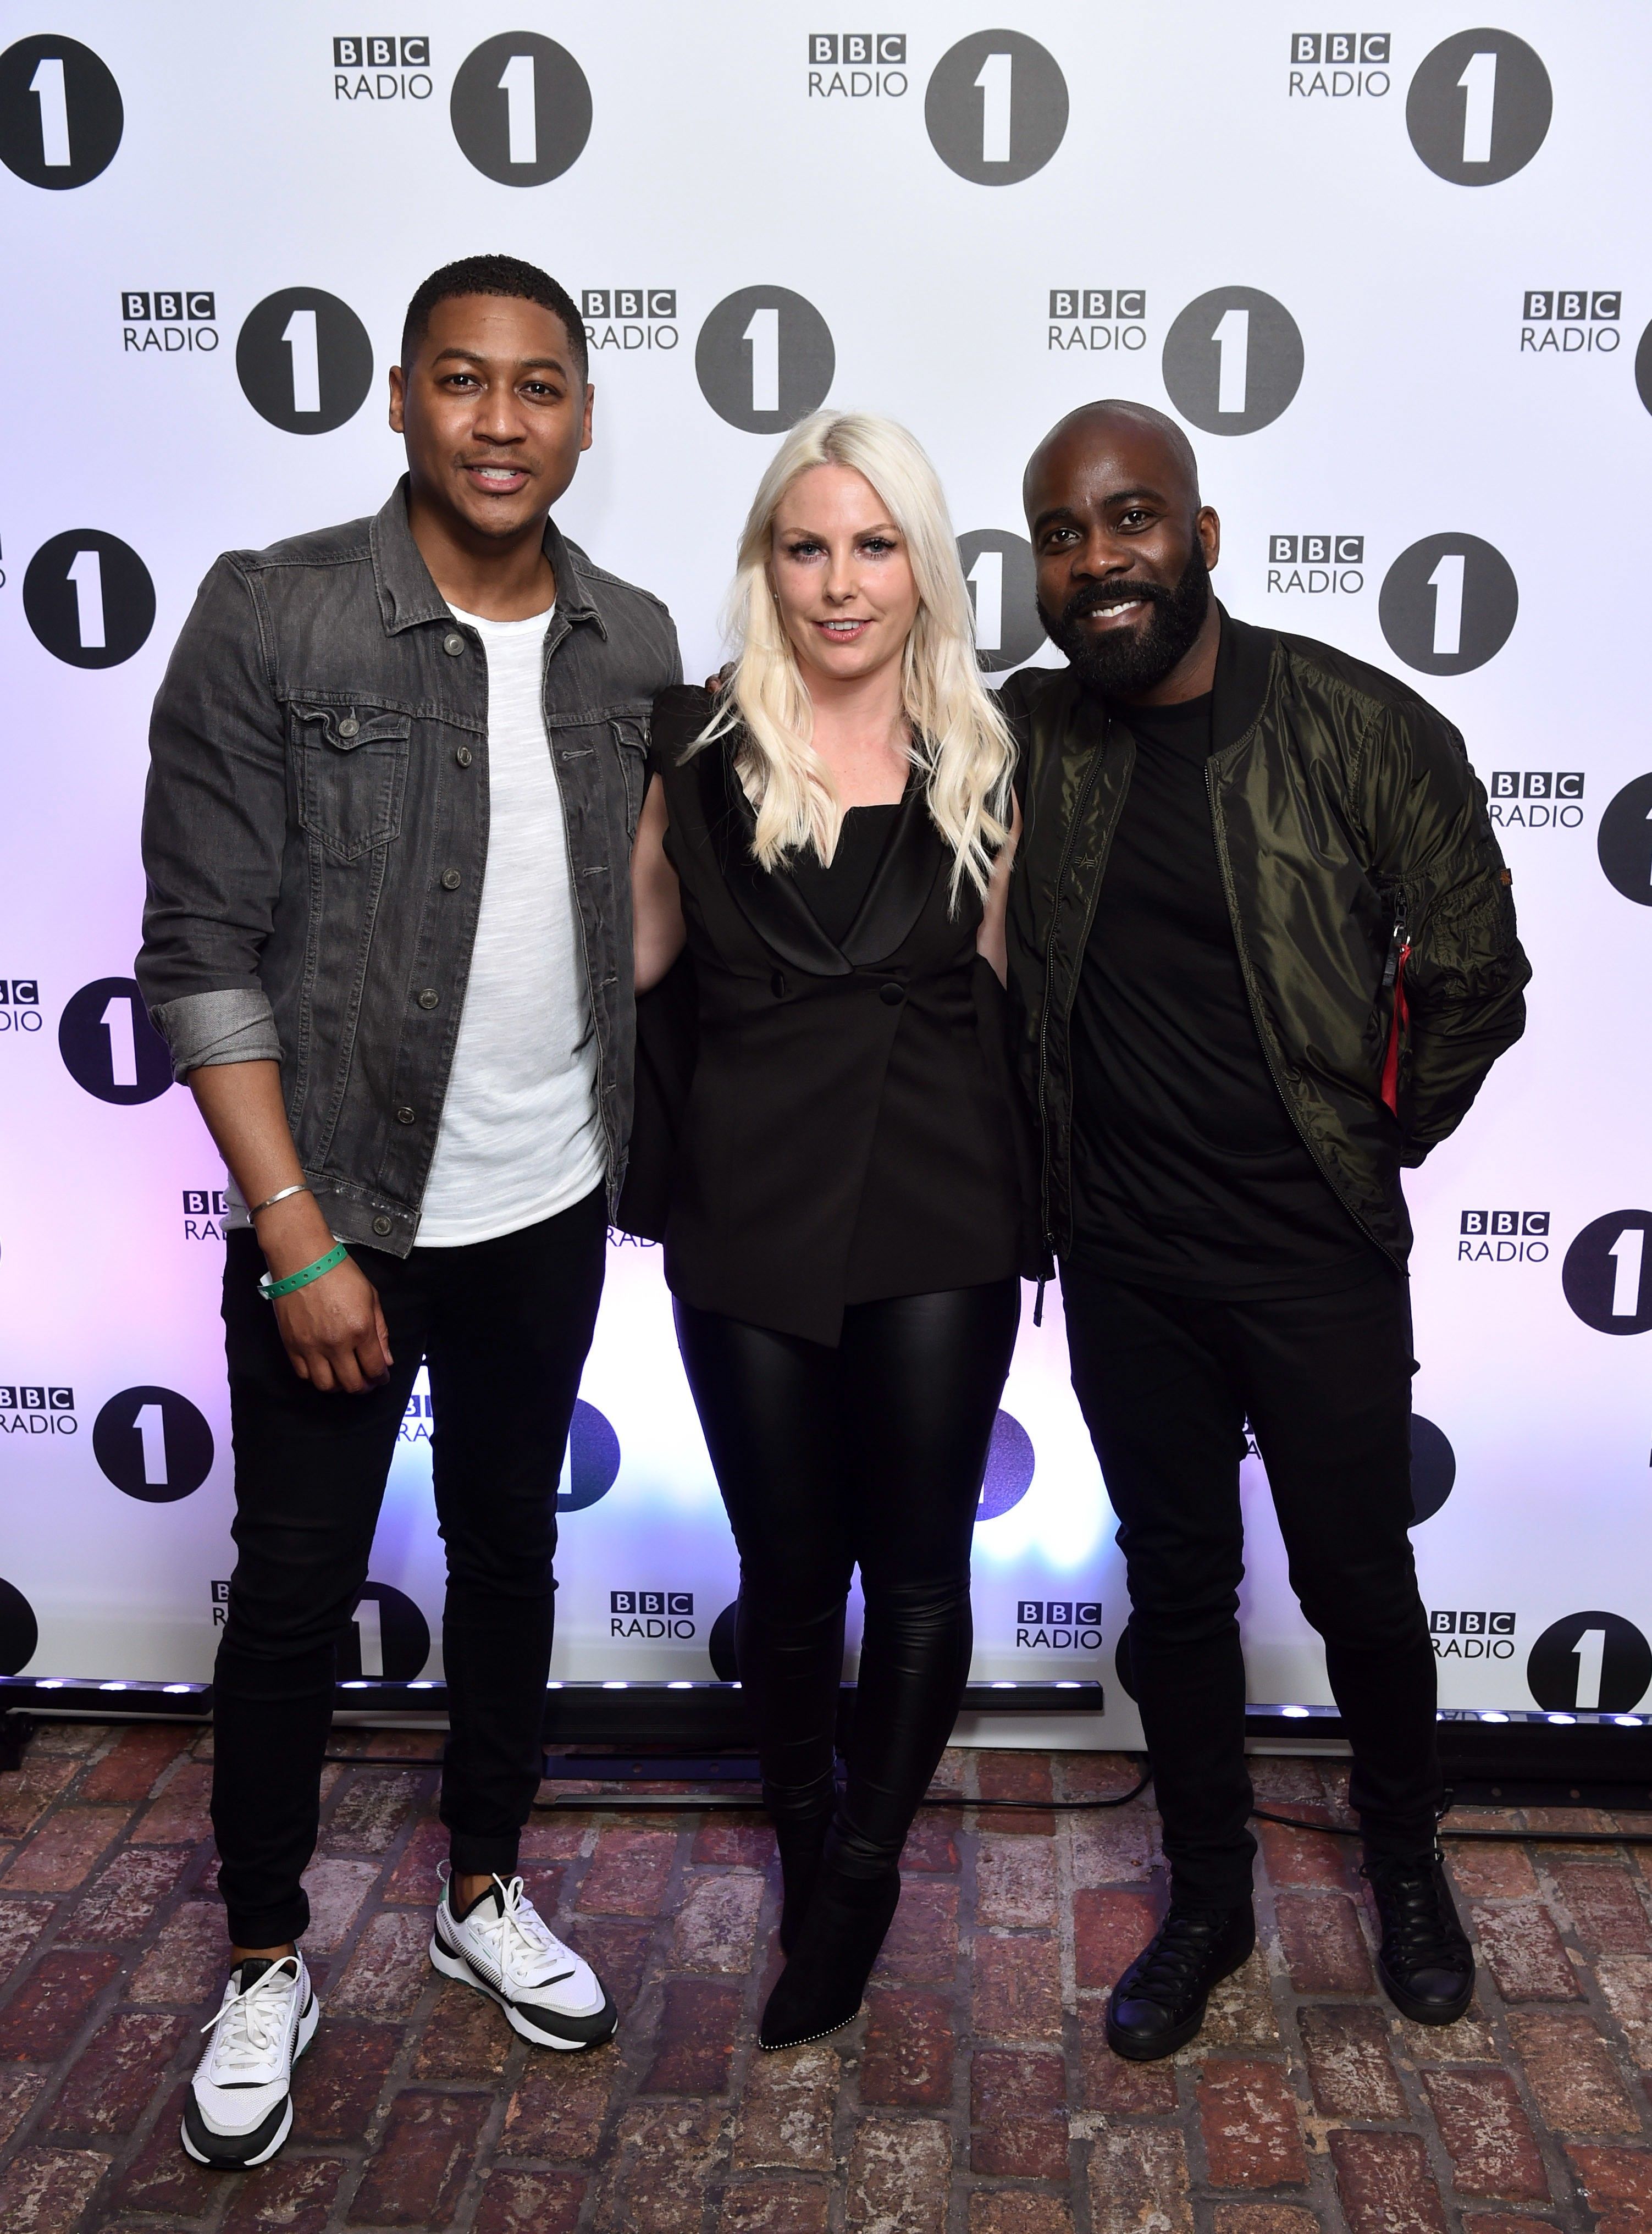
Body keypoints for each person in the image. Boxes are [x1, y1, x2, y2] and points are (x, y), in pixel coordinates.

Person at [136, 254, 681, 2167]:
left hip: (545, 1201)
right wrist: (296, 1235)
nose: (503, 422)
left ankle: (479, 1892)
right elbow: (199, 950)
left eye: (541, 388)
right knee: (291, 1596)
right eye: (465, 382)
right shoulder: (279, 614)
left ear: (586, 416)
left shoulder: (631, 637)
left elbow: (630, 919)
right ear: (399, 396)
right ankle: (269, 1954)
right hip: (343, 1210)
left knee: (511, 1560)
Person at [999, 400, 1530, 2061]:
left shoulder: (1361, 726)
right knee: (1177, 1586)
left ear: (1204, 538)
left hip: (1312, 1258)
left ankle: (1404, 1865)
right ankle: (1212, 1895)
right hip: (1127, 1262)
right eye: (1067, 537)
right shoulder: (1028, 733)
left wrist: (1366, 1147)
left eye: (1133, 519)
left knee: (1362, 1583)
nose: (1101, 562)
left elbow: (1477, 976)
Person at [627, 411, 1032, 2049]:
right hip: (746, 1202)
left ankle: (858, 1874)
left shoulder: (997, 757)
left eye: (876, 547)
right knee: (788, 1575)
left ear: (924, 567)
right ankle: (807, 1841)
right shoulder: (691, 749)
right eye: (808, 547)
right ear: (766, 565)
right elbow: (628, 964)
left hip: (941, 1196)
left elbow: (1016, 996)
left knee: (916, 1574)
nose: (841, 582)